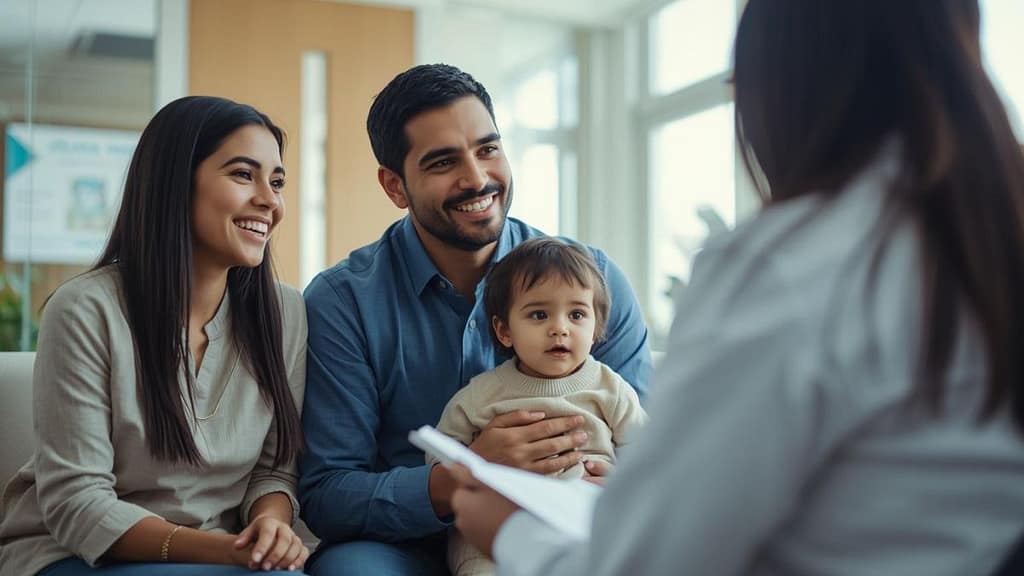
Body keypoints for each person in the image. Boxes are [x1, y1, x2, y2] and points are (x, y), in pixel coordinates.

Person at [449, 1, 1024, 575]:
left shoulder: (784, 268)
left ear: (781, 88)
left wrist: (511, 532)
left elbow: (646, 564)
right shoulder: (986, 245)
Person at [299, 64, 652, 575]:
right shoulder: (343, 301)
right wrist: (465, 476)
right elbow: (328, 494)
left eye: (488, 149)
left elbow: (653, 451)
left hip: (571, 528)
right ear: (395, 186)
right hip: (406, 545)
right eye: (444, 162)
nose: (478, 178)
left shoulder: (593, 281)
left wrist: (616, 488)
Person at [0, 96, 310, 575]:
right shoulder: (85, 309)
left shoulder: (284, 313)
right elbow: (77, 503)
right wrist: (225, 551)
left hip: (220, 556)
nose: (270, 201)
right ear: (175, 182)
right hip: (79, 554)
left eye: (277, 182)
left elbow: (274, 471)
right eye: (242, 174)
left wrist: (269, 527)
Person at [430, 237, 648, 576]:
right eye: (539, 315)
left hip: (584, 521)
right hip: (500, 525)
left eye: (577, 314)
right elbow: (441, 452)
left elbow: (647, 457)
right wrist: (473, 470)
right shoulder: (483, 394)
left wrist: (622, 484)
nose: (560, 328)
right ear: (504, 331)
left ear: (596, 328)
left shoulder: (611, 389)